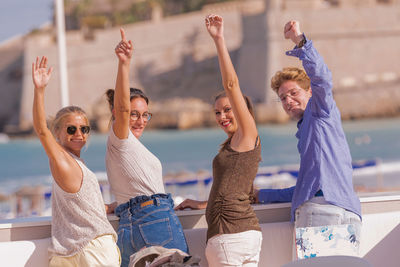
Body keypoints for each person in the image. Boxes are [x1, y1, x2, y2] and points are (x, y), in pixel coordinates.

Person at [257, 21, 362, 253]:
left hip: (322, 213)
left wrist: (300, 41)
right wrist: (260, 194)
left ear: (310, 92)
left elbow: (322, 78)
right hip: (348, 212)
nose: (288, 101)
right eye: (282, 98)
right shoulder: (312, 128)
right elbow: (308, 186)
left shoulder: (319, 110)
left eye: (293, 93)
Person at [175, 14, 262, 267]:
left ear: (243, 111)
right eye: (217, 112)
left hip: (230, 237)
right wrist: (201, 203)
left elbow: (231, 84)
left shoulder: (248, 134)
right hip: (244, 235)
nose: (222, 116)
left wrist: (219, 40)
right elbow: (237, 191)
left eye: (228, 109)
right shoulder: (237, 145)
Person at [105, 29, 188, 267]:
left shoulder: (126, 147)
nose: (140, 120)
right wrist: (124, 64)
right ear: (118, 114)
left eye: (145, 115)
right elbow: (120, 109)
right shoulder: (120, 137)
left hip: (129, 224)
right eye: (134, 114)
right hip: (155, 220)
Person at [31, 56, 119, 266]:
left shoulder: (76, 165)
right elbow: (42, 130)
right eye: (71, 129)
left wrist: (107, 207)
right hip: (93, 249)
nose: (79, 133)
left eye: (84, 129)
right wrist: (40, 90)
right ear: (58, 133)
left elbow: (78, 204)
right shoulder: (62, 160)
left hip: (67, 253)